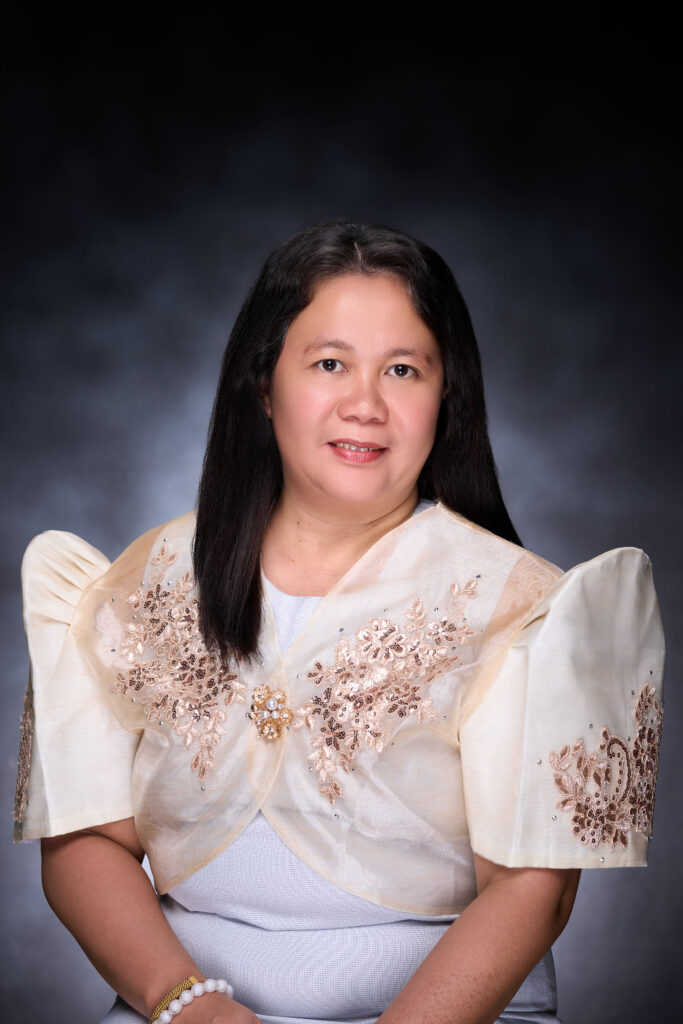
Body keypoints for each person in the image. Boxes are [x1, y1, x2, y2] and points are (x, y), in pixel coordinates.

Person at [14, 221, 664, 1024]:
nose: (365, 405)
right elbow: (86, 842)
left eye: (402, 370)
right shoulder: (136, 586)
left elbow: (532, 889)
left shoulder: (518, 606)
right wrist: (184, 1004)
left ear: (446, 395)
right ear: (263, 385)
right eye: (329, 364)